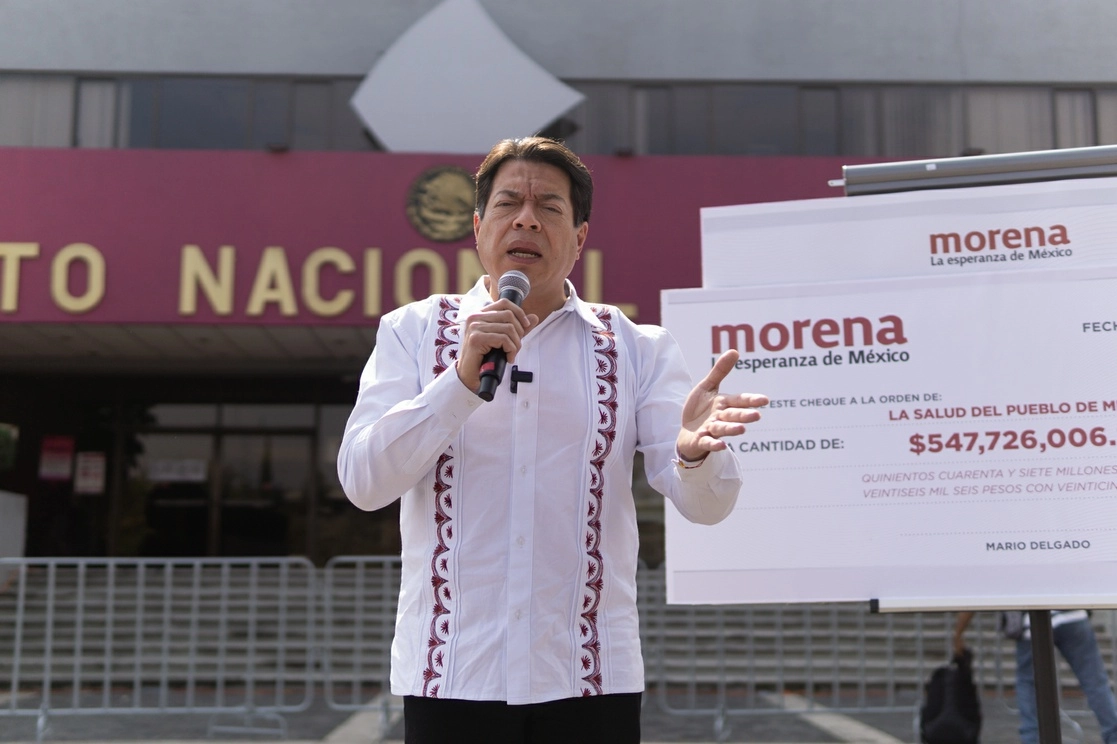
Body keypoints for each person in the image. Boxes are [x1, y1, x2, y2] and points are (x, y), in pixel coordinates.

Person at [337, 136, 768, 744]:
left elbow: (708, 506)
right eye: (508, 203)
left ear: (579, 236)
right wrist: (458, 383)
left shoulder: (636, 349)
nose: (527, 220)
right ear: (478, 227)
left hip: (588, 677)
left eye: (549, 207)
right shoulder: (412, 332)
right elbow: (363, 483)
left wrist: (695, 456)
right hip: (454, 672)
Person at [954, 610, 1117, 744]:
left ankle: (1031, 738)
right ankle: (1114, 735)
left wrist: (958, 633)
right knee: (1095, 682)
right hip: (1073, 615)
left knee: (1028, 685)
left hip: (1033, 620)